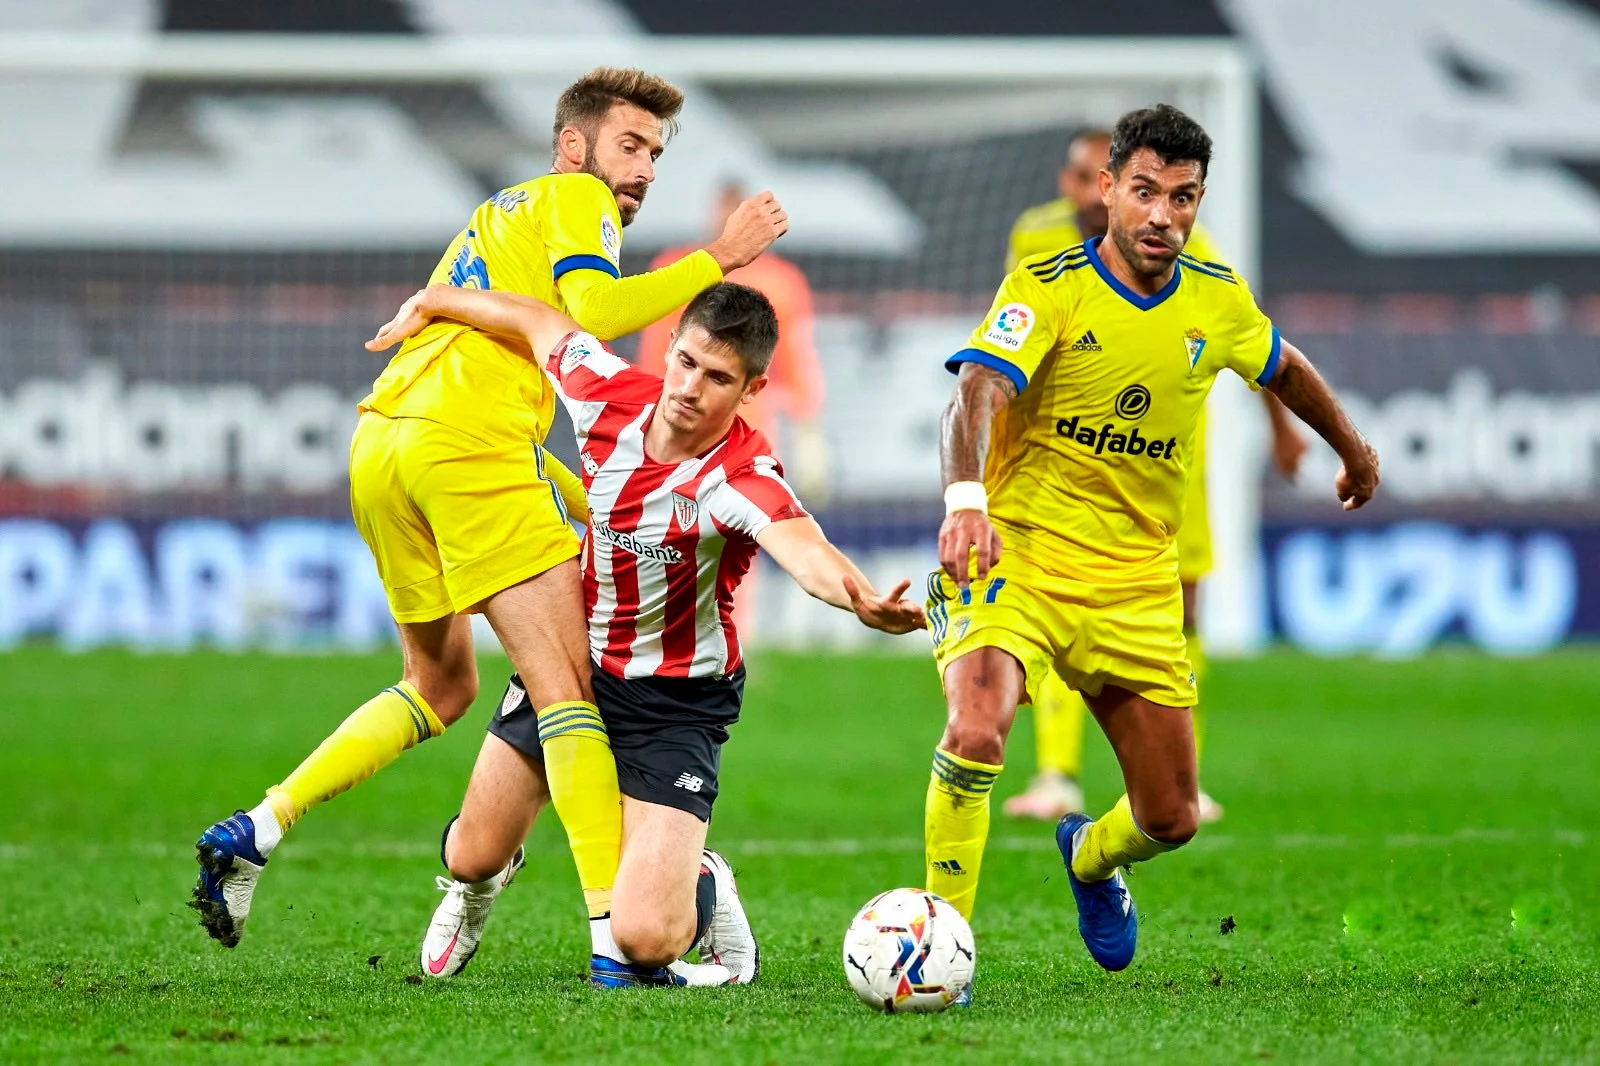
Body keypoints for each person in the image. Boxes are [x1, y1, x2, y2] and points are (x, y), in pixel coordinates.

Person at [188, 67, 788, 977]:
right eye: (630, 145)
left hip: (385, 444)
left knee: (439, 685)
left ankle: (260, 826)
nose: (643, 169)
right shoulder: (578, 198)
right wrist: (719, 256)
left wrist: (602, 498)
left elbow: (521, 379)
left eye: (656, 155)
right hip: (469, 448)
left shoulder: (503, 213)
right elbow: (593, 313)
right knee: (568, 692)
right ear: (573, 145)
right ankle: (615, 942)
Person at [361, 281, 924, 986]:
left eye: (717, 377)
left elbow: (805, 551)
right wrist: (434, 299)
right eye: (686, 362)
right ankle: (475, 889)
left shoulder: (741, 477)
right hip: (574, 668)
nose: (689, 388)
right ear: (670, 349)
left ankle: (703, 880)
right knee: (470, 854)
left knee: (646, 939)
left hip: (674, 705)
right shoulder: (607, 396)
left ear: (753, 389)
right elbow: (535, 319)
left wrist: (861, 599)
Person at [925, 104, 1379, 972]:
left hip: (1134, 580)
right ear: (1107, 190)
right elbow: (975, 388)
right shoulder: (1048, 285)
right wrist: (966, 501)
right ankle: (941, 942)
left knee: (1171, 816)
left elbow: (1283, 366)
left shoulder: (1216, 296)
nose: (1163, 214)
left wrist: (1353, 450)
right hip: (1018, 554)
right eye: (1144, 191)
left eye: (1183, 197)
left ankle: (1091, 858)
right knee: (977, 728)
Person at [1001, 129, 1308, 824]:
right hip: (1067, 465)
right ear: (1087, 183)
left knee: (1184, 612)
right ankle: (1056, 774)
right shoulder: (1035, 239)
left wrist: (1283, 430)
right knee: (1054, 615)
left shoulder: (1188, 249)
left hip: (1164, 465)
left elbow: (1253, 341)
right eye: (1086, 179)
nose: (1091, 195)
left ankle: (1182, 776)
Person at [637, 181, 829, 638]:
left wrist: (810, 432)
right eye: (724, 209)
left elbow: (797, 360)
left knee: (739, 536)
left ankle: (727, 639)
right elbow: (655, 353)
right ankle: (654, 633)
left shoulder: (782, 282)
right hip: (677, 427)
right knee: (663, 535)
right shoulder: (677, 268)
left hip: (747, 434)